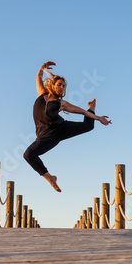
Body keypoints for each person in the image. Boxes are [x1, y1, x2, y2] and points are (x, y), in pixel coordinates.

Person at [23, 61, 112, 192]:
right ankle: (51, 177)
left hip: (59, 129)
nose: (61, 88)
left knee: (88, 126)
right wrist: (42, 67)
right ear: (53, 85)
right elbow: (38, 77)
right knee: (29, 155)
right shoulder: (41, 93)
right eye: (59, 84)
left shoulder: (61, 103)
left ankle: (92, 107)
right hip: (43, 135)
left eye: (63, 86)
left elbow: (82, 111)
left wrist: (99, 118)